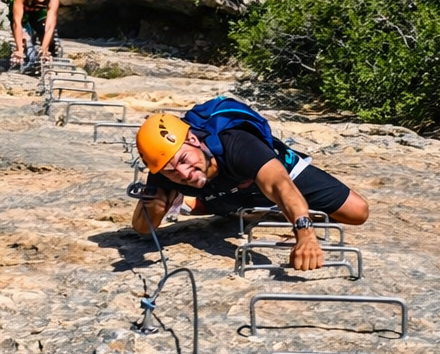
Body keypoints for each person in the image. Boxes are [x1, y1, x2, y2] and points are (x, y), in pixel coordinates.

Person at [131, 96, 369, 271]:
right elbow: (142, 228)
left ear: (193, 139)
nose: (183, 173)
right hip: (224, 197)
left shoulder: (236, 143)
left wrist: (304, 232)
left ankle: (285, 208)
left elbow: (279, 184)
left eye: (184, 159)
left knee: (357, 212)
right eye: (171, 171)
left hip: (265, 180)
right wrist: (154, 207)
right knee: (189, 200)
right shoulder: (163, 168)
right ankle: (201, 204)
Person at [9, 0, 62, 70]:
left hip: (38, 13)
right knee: (25, 40)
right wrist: (19, 49)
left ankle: (53, 48)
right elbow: (17, 22)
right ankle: (26, 55)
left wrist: (44, 50)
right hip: (23, 15)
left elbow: (50, 26)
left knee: (47, 36)